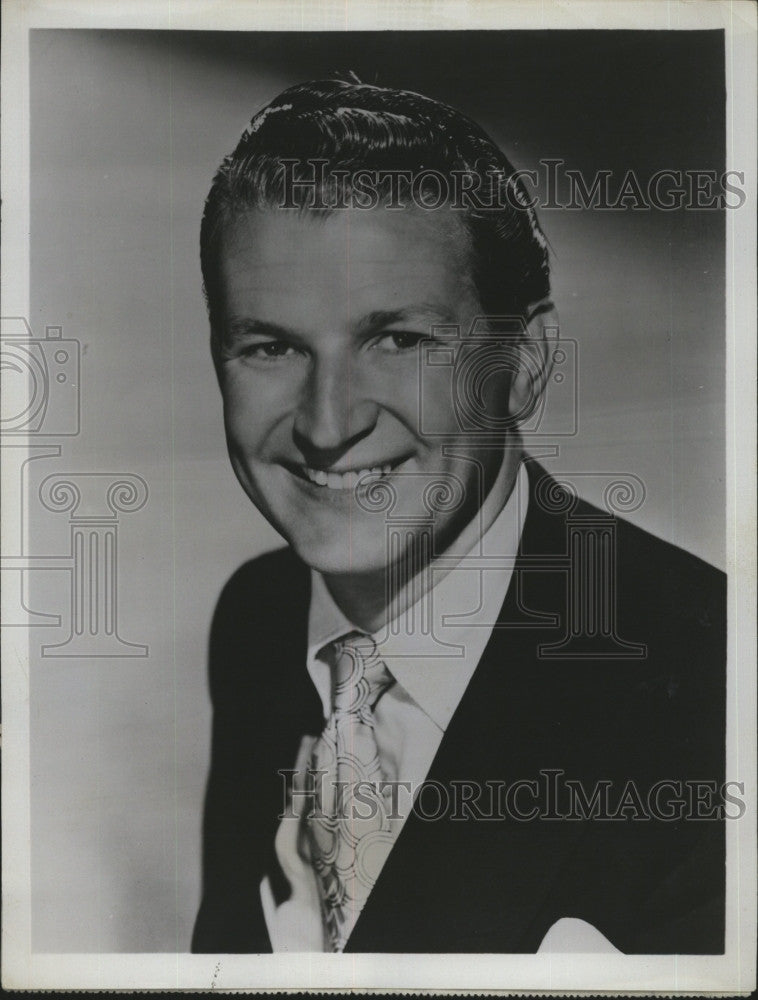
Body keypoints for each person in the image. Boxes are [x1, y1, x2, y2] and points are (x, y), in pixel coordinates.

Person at [191, 79, 726, 954]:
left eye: (397, 339)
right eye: (271, 346)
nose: (329, 425)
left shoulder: (710, 690)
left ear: (524, 363)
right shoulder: (258, 615)